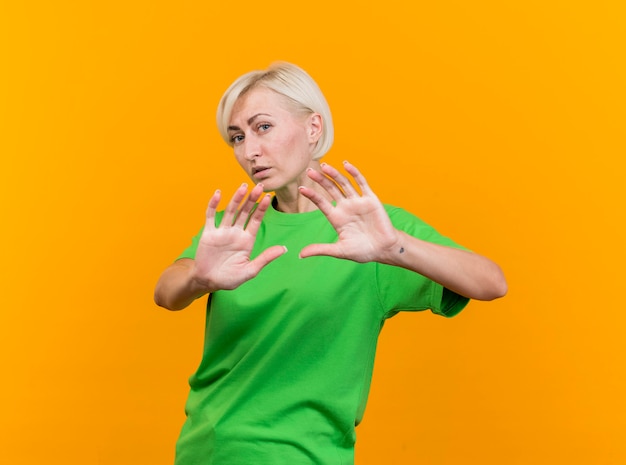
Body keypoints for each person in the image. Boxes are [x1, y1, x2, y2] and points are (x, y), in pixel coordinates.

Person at [154, 61, 507, 465]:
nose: (249, 151)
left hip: (311, 456)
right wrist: (200, 277)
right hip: (209, 449)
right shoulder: (236, 229)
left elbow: (490, 282)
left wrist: (394, 248)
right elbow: (167, 291)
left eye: (262, 127)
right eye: (237, 137)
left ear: (313, 128)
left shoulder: (373, 229)